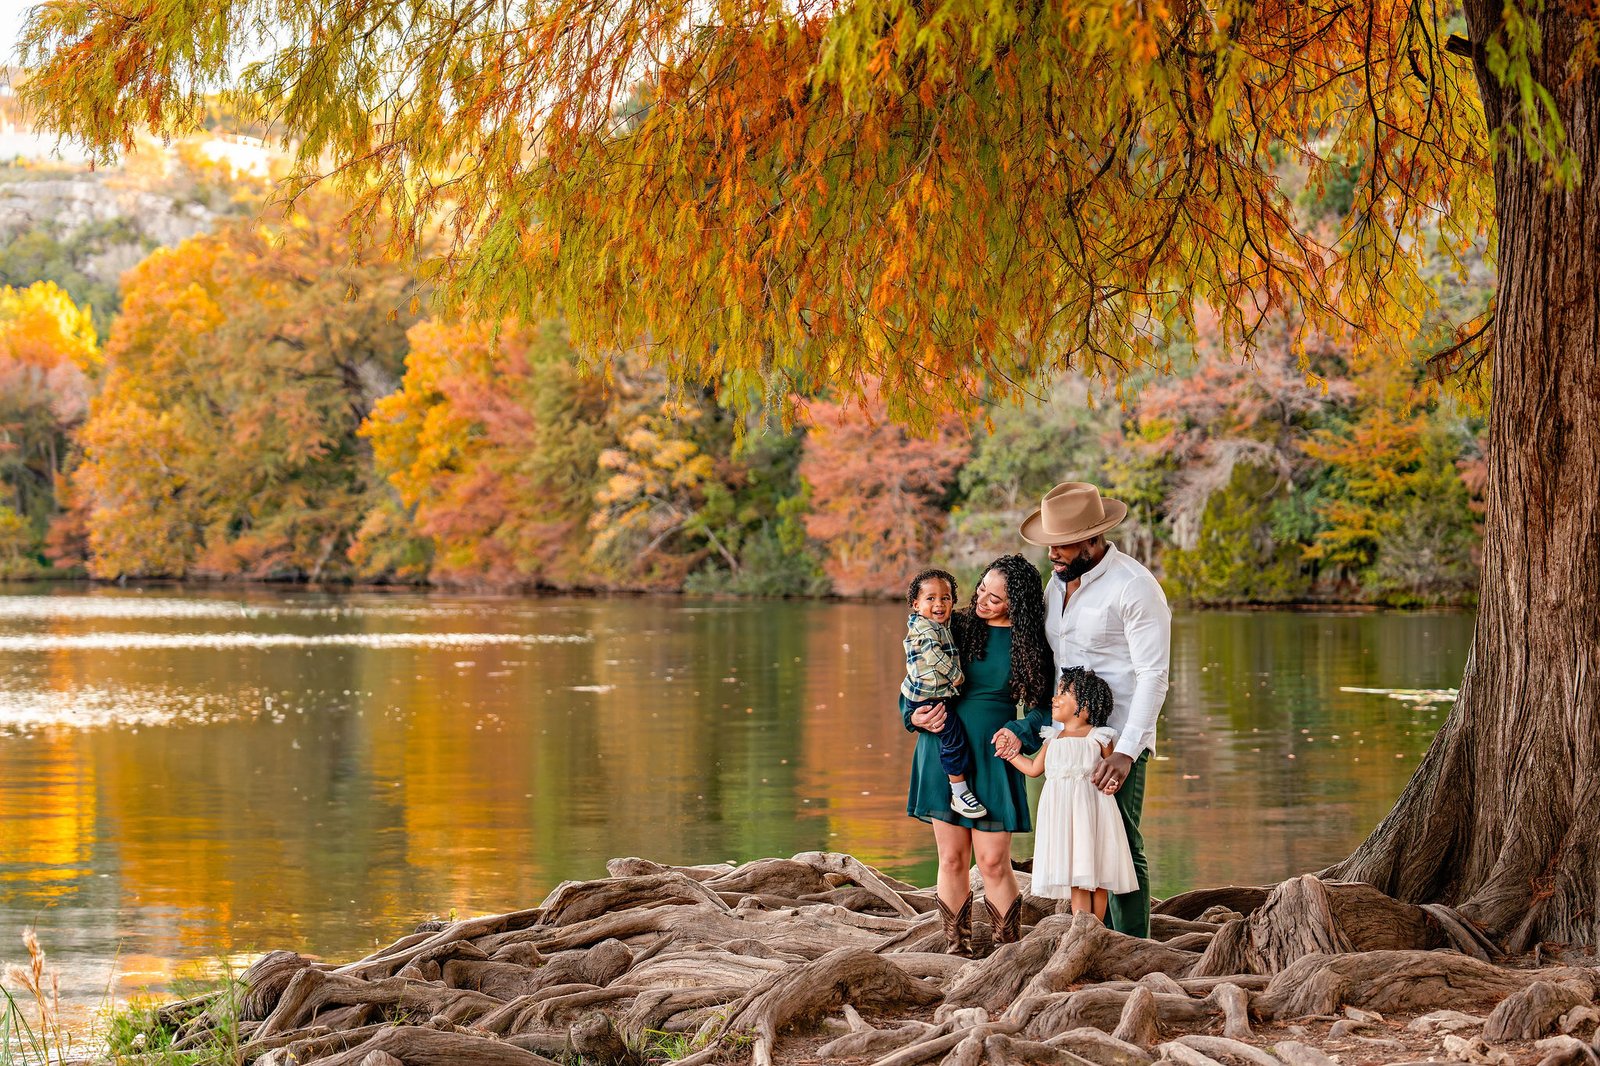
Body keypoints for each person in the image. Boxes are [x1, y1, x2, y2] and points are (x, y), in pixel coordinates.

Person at [997, 481, 1171, 939]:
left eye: (1063, 544)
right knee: (1079, 847)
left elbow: (1153, 676)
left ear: (1093, 539)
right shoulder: (1056, 589)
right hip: (1064, 742)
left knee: (1120, 844)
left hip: (1114, 740)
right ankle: (1092, 939)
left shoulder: (1133, 587)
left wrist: (1127, 751)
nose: (1053, 553)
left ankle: (1134, 948)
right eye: (1049, 544)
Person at [901, 554, 1054, 956]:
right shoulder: (954, 623)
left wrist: (1019, 731)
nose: (982, 600)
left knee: (992, 862)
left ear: (1017, 603)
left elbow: (1048, 710)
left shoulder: (1031, 643)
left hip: (994, 754)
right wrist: (912, 715)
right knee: (951, 859)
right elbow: (913, 680)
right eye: (982, 588)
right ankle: (958, 950)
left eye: (996, 597)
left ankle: (1008, 953)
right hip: (942, 749)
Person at [1003, 666, 1137, 920]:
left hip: (1093, 813)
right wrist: (1011, 755)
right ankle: (1080, 929)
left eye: (1064, 692)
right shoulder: (1053, 738)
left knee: (1097, 875)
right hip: (1062, 815)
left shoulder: (1101, 737)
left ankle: (1097, 930)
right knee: (1076, 874)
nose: (1055, 697)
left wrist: (1111, 785)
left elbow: (1114, 775)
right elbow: (1033, 769)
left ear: (1085, 704)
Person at [901, 568, 987, 818]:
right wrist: (956, 675)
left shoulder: (943, 624)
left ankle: (959, 788)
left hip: (928, 694)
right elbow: (933, 655)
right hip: (928, 698)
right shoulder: (926, 629)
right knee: (954, 738)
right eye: (931, 599)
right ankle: (959, 790)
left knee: (953, 738)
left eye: (945, 598)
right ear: (916, 604)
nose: (939, 604)